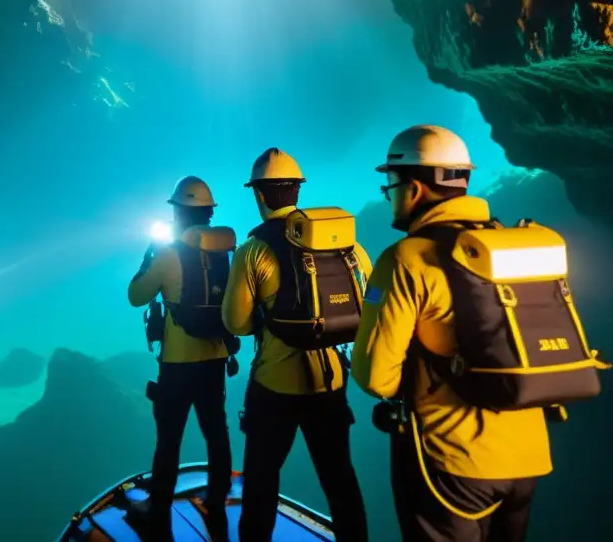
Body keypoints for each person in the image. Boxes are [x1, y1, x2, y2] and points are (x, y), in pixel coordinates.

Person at [351, 125, 552, 542]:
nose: (390, 193)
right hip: (528, 456)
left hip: (452, 463)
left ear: (415, 188)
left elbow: (375, 378)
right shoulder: (510, 243)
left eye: (391, 182)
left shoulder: (406, 259)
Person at [223, 148, 370, 542]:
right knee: (341, 481)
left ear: (259, 195)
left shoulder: (254, 251)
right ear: (297, 191)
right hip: (331, 382)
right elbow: (368, 304)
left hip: (275, 384)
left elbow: (235, 324)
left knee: (261, 483)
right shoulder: (347, 246)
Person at [127, 176, 237, 541]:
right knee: (215, 431)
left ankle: (157, 509)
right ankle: (218, 499)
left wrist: (148, 256)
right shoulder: (225, 253)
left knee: (169, 438)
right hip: (215, 358)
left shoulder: (167, 254)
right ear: (207, 213)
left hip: (177, 363)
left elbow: (136, 296)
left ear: (178, 214)